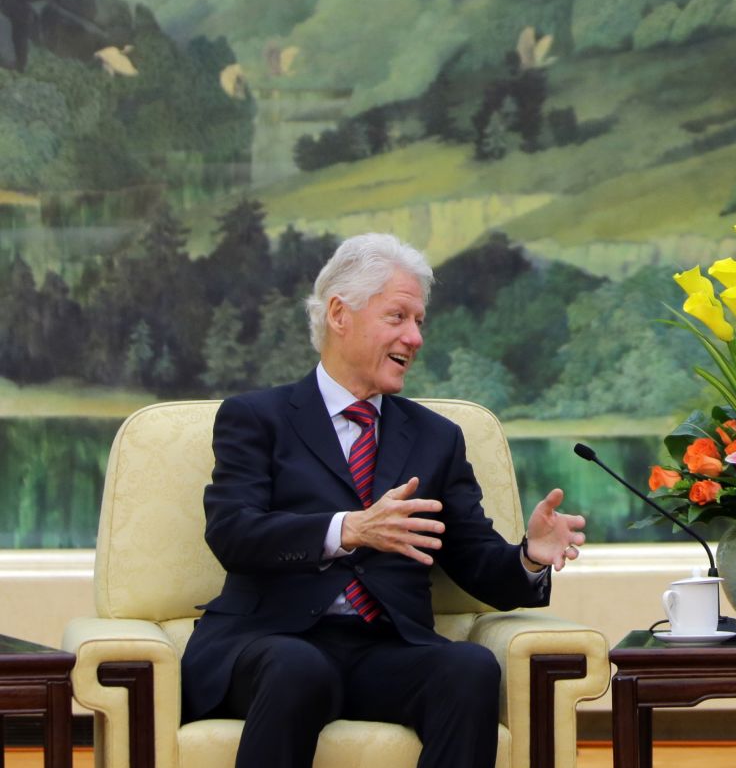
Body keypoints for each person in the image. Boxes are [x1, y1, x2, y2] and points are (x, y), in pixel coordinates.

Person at [181, 233, 587, 768]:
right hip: (271, 642)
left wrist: (529, 556)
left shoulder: (436, 438)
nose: (415, 337)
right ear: (338, 314)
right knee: (299, 667)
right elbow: (233, 532)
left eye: (419, 321)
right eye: (398, 317)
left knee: (468, 668)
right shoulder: (257, 418)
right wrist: (348, 529)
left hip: (383, 649)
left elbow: (473, 558)